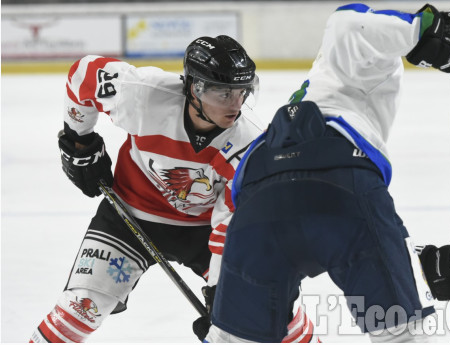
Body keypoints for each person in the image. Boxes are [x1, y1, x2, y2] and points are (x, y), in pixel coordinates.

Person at [203, 3, 450, 342]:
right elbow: (347, 22)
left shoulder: (308, 95)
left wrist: (221, 293)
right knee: (398, 333)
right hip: (339, 175)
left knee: (234, 340)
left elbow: (269, 215)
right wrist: (426, 26)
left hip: (255, 199)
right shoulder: (348, 68)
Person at [30, 36, 317, 343]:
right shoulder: (142, 96)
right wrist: (79, 140)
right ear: (196, 89)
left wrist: (221, 293)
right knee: (79, 308)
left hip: (205, 232)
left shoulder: (247, 147)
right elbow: (82, 75)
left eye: (241, 92)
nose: (236, 104)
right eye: (224, 93)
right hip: (129, 215)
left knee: (276, 313)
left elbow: (230, 226)